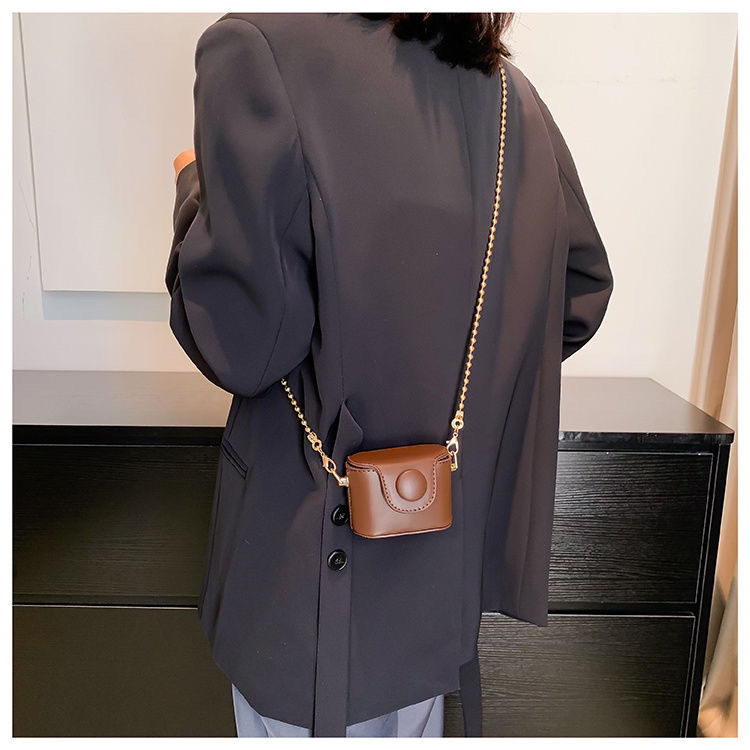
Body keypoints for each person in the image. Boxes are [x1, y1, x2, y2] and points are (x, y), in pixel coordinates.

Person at [166, 12, 613, 738]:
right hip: (437, 576)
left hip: (305, 578)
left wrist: (193, 189)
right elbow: (579, 291)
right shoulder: (511, 95)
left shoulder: (256, 52)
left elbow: (241, 344)